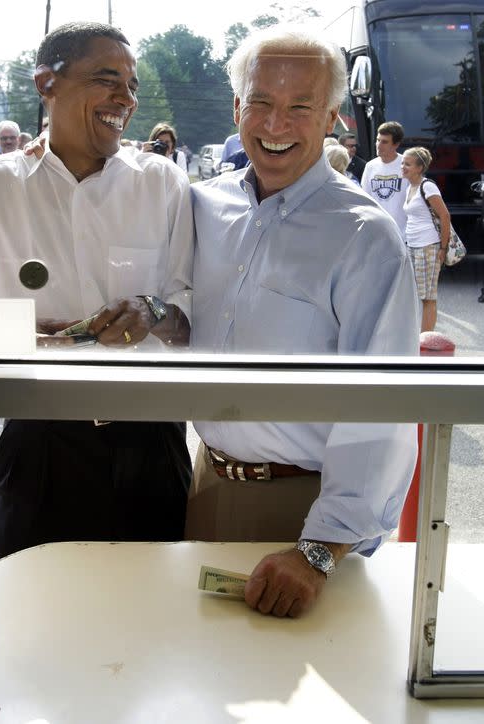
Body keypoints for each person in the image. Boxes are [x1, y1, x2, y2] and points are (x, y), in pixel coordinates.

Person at [185, 26, 419, 619]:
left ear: (333, 118)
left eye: (300, 107)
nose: (275, 124)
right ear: (237, 107)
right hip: (204, 482)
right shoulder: (204, 206)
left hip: (303, 510)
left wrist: (319, 551)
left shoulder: (365, 235)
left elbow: (382, 408)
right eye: (260, 101)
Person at [0, 21, 194, 562]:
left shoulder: (162, 183)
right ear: (47, 83)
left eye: (131, 86)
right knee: (32, 623)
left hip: (150, 443)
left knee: (151, 624)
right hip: (38, 444)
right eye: (106, 79)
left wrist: (152, 311)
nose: (123, 98)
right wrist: (33, 334)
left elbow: (194, 308)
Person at [401, 147, 450, 332]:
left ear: (420, 168)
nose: (403, 166)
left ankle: (426, 340)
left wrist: (443, 249)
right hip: (412, 245)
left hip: (428, 246)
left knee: (428, 297)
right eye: (403, 163)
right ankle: (418, 336)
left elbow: (445, 216)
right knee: (416, 294)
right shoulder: (410, 186)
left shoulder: (427, 186)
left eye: (408, 164)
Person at [361, 121, 408, 237]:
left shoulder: (406, 165)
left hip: (402, 234)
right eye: (378, 140)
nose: (379, 145)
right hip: (377, 233)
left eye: (385, 142)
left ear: (396, 144)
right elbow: (365, 199)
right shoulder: (370, 166)